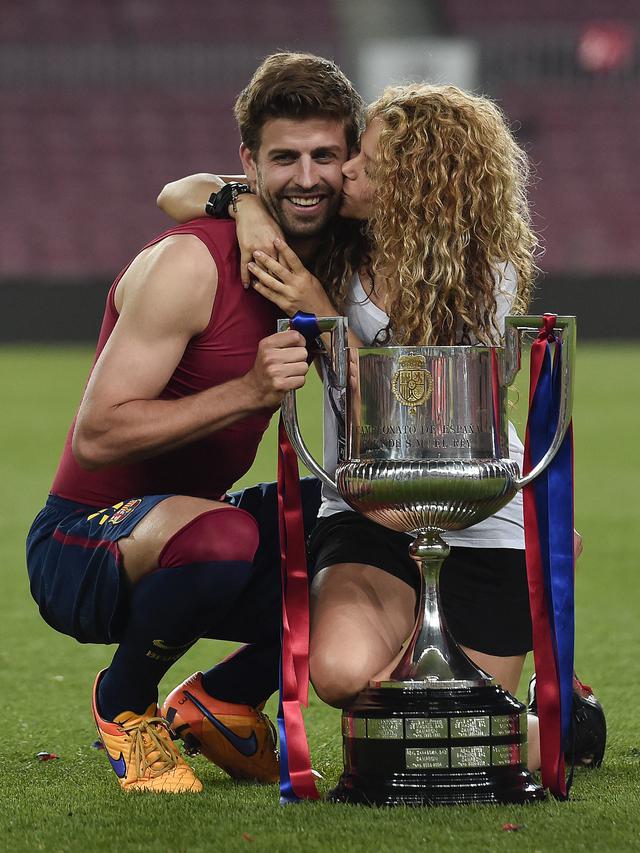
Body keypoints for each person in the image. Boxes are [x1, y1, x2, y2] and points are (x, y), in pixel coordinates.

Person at [161, 82, 606, 772]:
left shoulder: (479, 275)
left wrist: (323, 313)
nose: (344, 171)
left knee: (460, 732)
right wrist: (244, 206)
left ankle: (554, 705)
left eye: (365, 162)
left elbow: (417, 412)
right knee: (342, 676)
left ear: (412, 184)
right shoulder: (335, 237)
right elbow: (177, 192)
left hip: (475, 510)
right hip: (366, 504)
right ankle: (498, 684)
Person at [26, 51, 364, 794]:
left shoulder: (333, 263)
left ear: (350, 161)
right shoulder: (193, 263)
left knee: (372, 525)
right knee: (224, 535)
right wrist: (248, 390)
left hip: (200, 527)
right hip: (83, 544)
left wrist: (322, 311)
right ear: (249, 163)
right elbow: (97, 436)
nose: (306, 177)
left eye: (324, 156)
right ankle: (124, 703)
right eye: (284, 159)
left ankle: (225, 697)